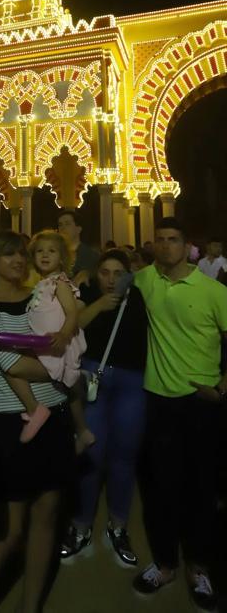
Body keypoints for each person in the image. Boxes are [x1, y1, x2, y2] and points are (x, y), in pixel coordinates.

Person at [0, 230, 76, 613]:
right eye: (7, 254)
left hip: (56, 415)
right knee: (10, 530)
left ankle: (29, 607)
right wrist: (63, 367)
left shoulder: (39, 297)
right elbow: (13, 364)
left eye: (20, 253)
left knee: (47, 516)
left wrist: (65, 359)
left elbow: (73, 331)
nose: (17, 260)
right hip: (13, 420)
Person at [132, 218, 227, 611]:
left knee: (201, 489)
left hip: (200, 403)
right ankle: (166, 562)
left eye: (174, 240)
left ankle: (199, 567)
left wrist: (222, 386)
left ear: (187, 246)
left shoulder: (212, 290)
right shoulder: (145, 281)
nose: (166, 246)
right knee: (159, 489)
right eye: (160, 240)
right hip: (158, 400)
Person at [60, 250, 148, 567]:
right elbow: (74, 324)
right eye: (105, 272)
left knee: (124, 455)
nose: (111, 279)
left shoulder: (140, 295)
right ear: (97, 274)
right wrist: (99, 304)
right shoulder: (89, 293)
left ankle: (118, 525)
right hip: (94, 376)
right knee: (92, 453)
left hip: (132, 382)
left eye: (118, 272)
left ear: (128, 273)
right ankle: (81, 525)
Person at [1, 230, 88, 446]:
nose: (45, 255)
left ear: (62, 257)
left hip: (55, 344)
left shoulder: (59, 283)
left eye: (51, 251)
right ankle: (76, 427)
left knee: (12, 367)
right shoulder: (42, 284)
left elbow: (72, 312)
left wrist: (63, 334)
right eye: (40, 251)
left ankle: (37, 410)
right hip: (41, 344)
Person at [58, 209, 99, 281]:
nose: (62, 228)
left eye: (67, 224)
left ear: (78, 229)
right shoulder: (56, 253)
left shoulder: (90, 255)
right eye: (60, 225)